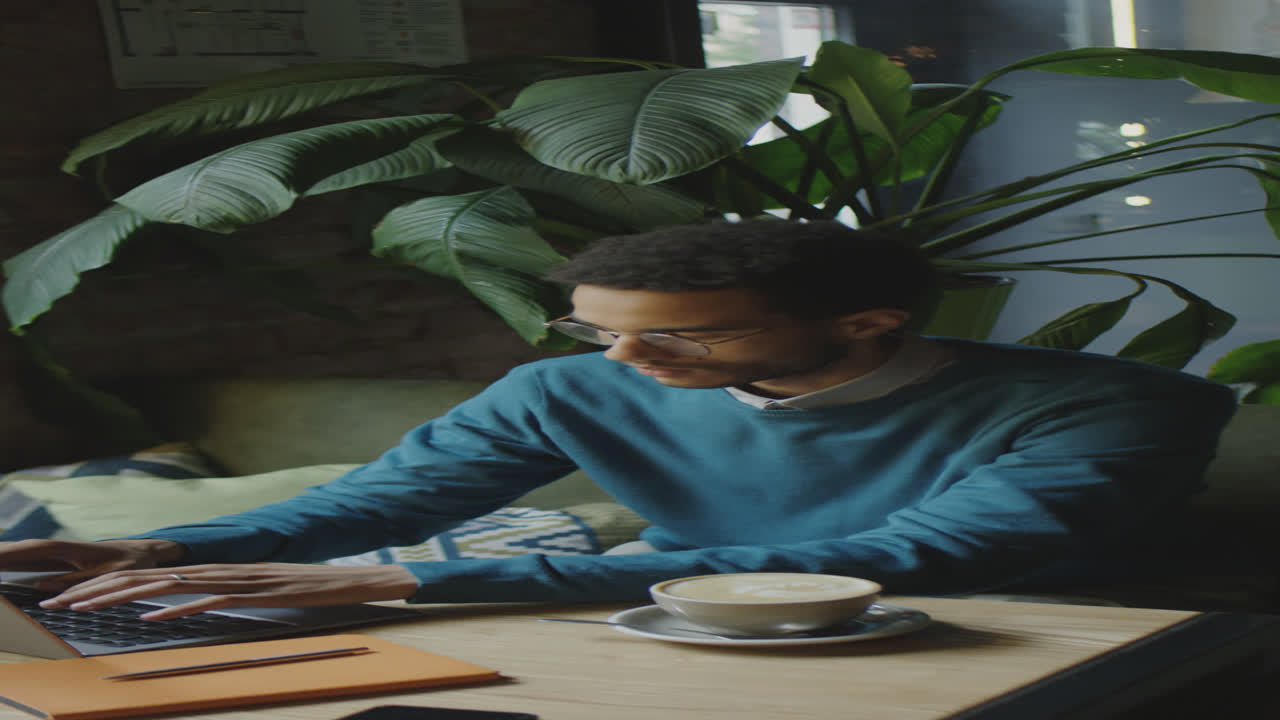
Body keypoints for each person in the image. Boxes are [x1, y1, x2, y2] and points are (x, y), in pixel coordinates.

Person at [0, 219, 1236, 620]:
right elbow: (387, 501)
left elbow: (914, 560)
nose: (627, 362)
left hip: (1033, 648)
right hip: (688, 638)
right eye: (597, 328)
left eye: (684, 335)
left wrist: (402, 590)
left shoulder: (1117, 409)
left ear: (866, 322)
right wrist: (165, 550)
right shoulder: (575, 387)